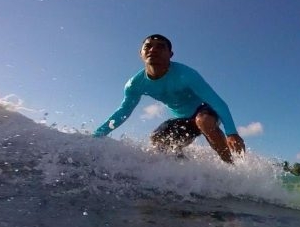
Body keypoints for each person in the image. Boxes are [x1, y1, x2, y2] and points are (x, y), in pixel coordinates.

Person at [93, 34, 245, 163]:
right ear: (141, 53)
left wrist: (231, 133)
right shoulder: (135, 84)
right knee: (157, 139)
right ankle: (185, 170)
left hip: (205, 111)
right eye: (148, 46)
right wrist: (97, 135)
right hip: (183, 119)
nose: (153, 50)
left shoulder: (186, 74)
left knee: (203, 121)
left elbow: (217, 103)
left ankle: (230, 168)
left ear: (170, 54)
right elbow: (123, 111)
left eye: (160, 47)